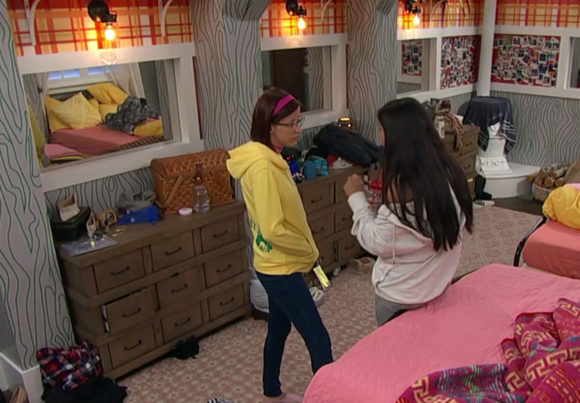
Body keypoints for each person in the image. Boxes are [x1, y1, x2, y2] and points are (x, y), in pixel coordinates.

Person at [227, 89, 333, 403]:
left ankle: (271, 392)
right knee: (318, 338)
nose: (298, 129)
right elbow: (273, 229)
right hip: (280, 268)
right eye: (291, 123)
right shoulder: (262, 168)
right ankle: (329, 396)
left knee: (278, 328)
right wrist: (308, 253)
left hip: (277, 263)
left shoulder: (271, 159)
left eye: (300, 121)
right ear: (270, 126)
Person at [343, 97, 474, 326]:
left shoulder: (401, 188)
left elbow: (375, 241)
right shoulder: (449, 173)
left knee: (395, 347)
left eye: (381, 130)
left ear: (396, 137)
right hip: (437, 287)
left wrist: (356, 198)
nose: (379, 136)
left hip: (400, 297)